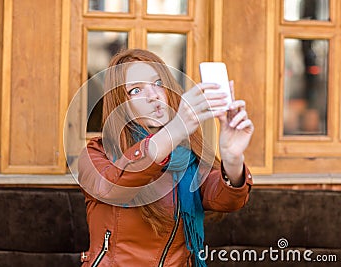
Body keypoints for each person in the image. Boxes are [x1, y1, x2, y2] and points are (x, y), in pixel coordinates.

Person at [77, 49, 254, 266]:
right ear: (119, 106)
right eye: (135, 90)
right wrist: (175, 131)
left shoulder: (186, 156)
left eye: (159, 83)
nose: (153, 96)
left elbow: (225, 199)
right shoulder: (96, 153)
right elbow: (113, 186)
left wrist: (233, 158)